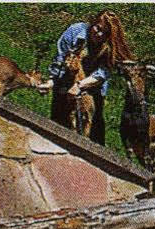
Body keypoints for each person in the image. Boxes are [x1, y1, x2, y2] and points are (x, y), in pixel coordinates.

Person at [36, 10, 135, 145]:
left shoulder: (109, 47)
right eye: (98, 28)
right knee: (58, 123)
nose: (99, 34)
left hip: (93, 88)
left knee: (92, 133)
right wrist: (51, 81)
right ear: (93, 22)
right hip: (66, 82)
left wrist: (79, 86)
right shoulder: (75, 31)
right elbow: (60, 58)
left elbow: (103, 73)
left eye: (105, 33)